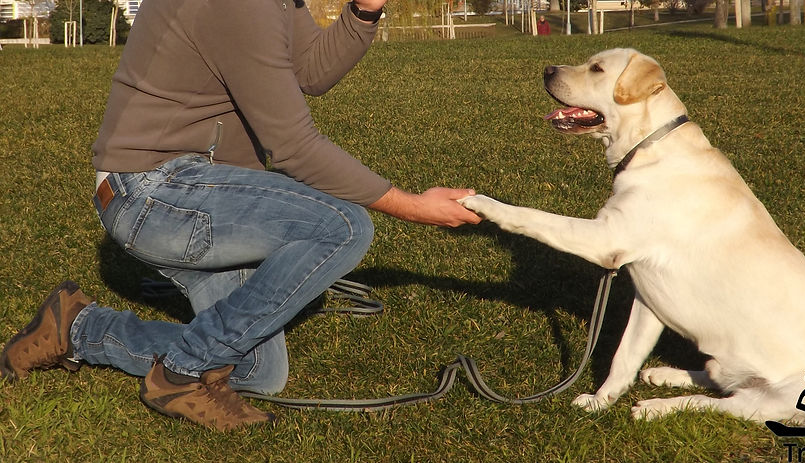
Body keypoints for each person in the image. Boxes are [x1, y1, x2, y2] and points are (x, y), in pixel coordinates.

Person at [0, 0, 481, 431]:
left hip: (193, 187)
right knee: (343, 226)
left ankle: (78, 329)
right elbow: (293, 148)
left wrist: (365, 9)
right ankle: (180, 374)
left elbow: (311, 71)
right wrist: (414, 207)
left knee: (257, 372)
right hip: (150, 190)